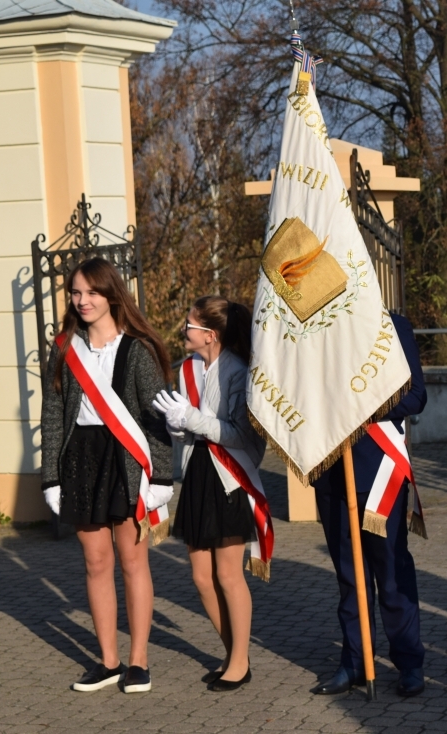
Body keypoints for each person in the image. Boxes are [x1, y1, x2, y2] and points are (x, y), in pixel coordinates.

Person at [40, 258, 174, 694]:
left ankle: (138, 661)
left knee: (133, 562)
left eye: (91, 292)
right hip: (81, 459)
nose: (82, 301)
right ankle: (109, 661)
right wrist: (51, 477)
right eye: (76, 293)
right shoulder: (65, 348)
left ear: (111, 294)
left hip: (126, 460)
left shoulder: (137, 349)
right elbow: (53, 414)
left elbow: (157, 417)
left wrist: (161, 477)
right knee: (96, 563)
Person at [310, 310, 428, 698]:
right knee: (349, 576)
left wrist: (362, 408)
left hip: (379, 470)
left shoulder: (390, 325)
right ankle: (355, 661)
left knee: (391, 572)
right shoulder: (313, 329)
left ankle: (408, 662)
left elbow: (415, 395)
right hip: (330, 469)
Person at [152, 296, 267, 692]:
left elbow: (239, 434)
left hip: (230, 474)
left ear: (210, 334)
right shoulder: (188, 368)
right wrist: (177, 425)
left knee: (228, 574)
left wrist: (192, 418)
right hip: (199, 472)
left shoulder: (238, 371)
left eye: (190, 325)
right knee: (201, 577)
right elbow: (189, 430)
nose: (184, 330)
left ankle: (238, 662)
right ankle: (234, 653)